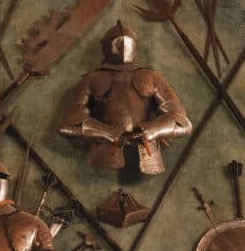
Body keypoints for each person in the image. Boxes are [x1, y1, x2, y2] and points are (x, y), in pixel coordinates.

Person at [59, 21, 192, 174]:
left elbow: (183, 122)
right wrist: (106, 131)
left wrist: (154, 129)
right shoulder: (91, 79)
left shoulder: (150, 76)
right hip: (106, 151)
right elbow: (66, 126)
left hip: (148, 150)